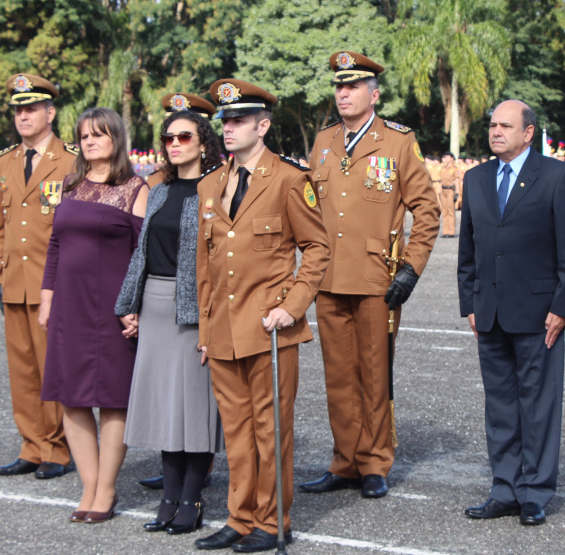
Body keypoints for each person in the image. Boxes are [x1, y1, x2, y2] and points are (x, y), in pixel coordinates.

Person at [192, 79, 330, 553]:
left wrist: (292, 307)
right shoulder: (211, 183)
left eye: (238, 120)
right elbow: (205, 263)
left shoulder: (290, 179)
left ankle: (273, 521)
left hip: (270, 328)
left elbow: (316, 249)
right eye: (224, 121)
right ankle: (239, 515)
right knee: (235, 431)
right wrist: (207, 328)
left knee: (271, 431)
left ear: (263, 125)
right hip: (225, 331)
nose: (227, 128)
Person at [298, 51, 440, 500]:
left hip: (378, 279)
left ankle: (375, 461)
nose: (343, 93)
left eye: (353, 86)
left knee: (375, 375)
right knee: (338, 376)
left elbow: (428, 210)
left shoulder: (398, 142)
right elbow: (307, 212)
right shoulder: (323, 143)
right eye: (339, 86)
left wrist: (412, 269)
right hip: (328, 278)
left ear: (373, 94)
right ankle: (345, 460)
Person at [457, 100, 565, 526]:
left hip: (539, 314)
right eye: (493, 125)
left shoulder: (556, 176)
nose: (496, 132)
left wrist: (562, 308)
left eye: (505, 126)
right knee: (500, 406)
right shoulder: (476, 178)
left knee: (538, 404)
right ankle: (505, 488)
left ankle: (535, 491)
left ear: (528, 133)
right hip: (490, 313)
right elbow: (469, 249)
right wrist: (470, 304)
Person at [115, 93, 225, 535]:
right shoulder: (158, 189)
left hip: (195, 309)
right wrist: (130, 304)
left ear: (203, 143)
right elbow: (142, 252)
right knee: (165, 407)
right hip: (156, 307)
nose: (174, 143)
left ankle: (192, 498)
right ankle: (168, 497)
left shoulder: (217, 190)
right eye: (169, 138)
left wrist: (212, 321)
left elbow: (219, 262)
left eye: (184, 136)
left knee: (193, 409)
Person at [39, 107, 149, 523]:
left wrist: (134, 305)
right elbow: (55, 247)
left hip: (111, 309)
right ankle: (88, 486)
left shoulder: (136, 188)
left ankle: (105, 491)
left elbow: (145, 253)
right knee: (71, 398)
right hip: (69, 306)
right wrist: (47, 300)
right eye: (84, 136)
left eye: (98, 135)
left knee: (112, 401)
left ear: (115, 139)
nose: (90, 142)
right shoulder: (70, 184)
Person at [0, 73, 76, 479]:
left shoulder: (72, 160)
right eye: (18, 110)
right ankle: (31, 445)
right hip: (14, 284)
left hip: (51, 286)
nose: (23, 116)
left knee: (52, 368)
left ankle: (58, 449)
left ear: (50, 112)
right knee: (22, 370)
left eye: (31, 109)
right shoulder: (5, 161)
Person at [440, 152, 460, 237]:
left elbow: (457, 181)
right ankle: (445, 231)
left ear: (452, 158)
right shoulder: (443, 168)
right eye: (445, 157)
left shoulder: (454, 169)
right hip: (443, 190)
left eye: (448, 157)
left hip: (450, 190)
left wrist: (457, 192)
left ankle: (451, 232)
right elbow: (440, 180)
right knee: (444, 211)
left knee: (450, 211)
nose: (446, 159)